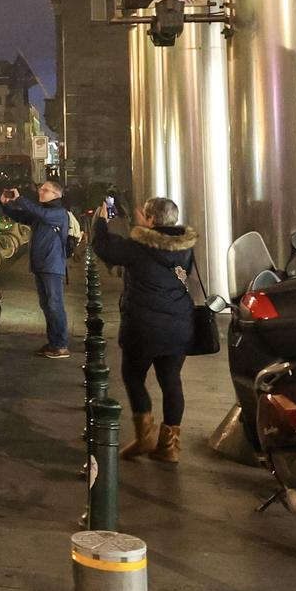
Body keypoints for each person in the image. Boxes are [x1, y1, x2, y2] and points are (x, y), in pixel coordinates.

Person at [91, 195, 198, 465]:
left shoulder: (139, 246)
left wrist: (100, 221)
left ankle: (144, 438)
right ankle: (170, 447)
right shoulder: (184, 247)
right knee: (171, 380)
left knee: (133, 375)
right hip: (178, 324)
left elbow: (104, 249)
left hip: (144, 326)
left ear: (150, 219)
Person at [0, 180, 73, 358]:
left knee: (55, 305)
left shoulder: (58, 213)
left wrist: (21, 199)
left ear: (57, 195)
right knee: (47, 305)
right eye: (41, 189)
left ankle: (61, 345)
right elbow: (22, 217)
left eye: (45, 190)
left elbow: (38, 213)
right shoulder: (43, 213)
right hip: (42, 264)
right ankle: (53, 343)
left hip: (52, 265)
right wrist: (5, 205)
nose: (41, 192)